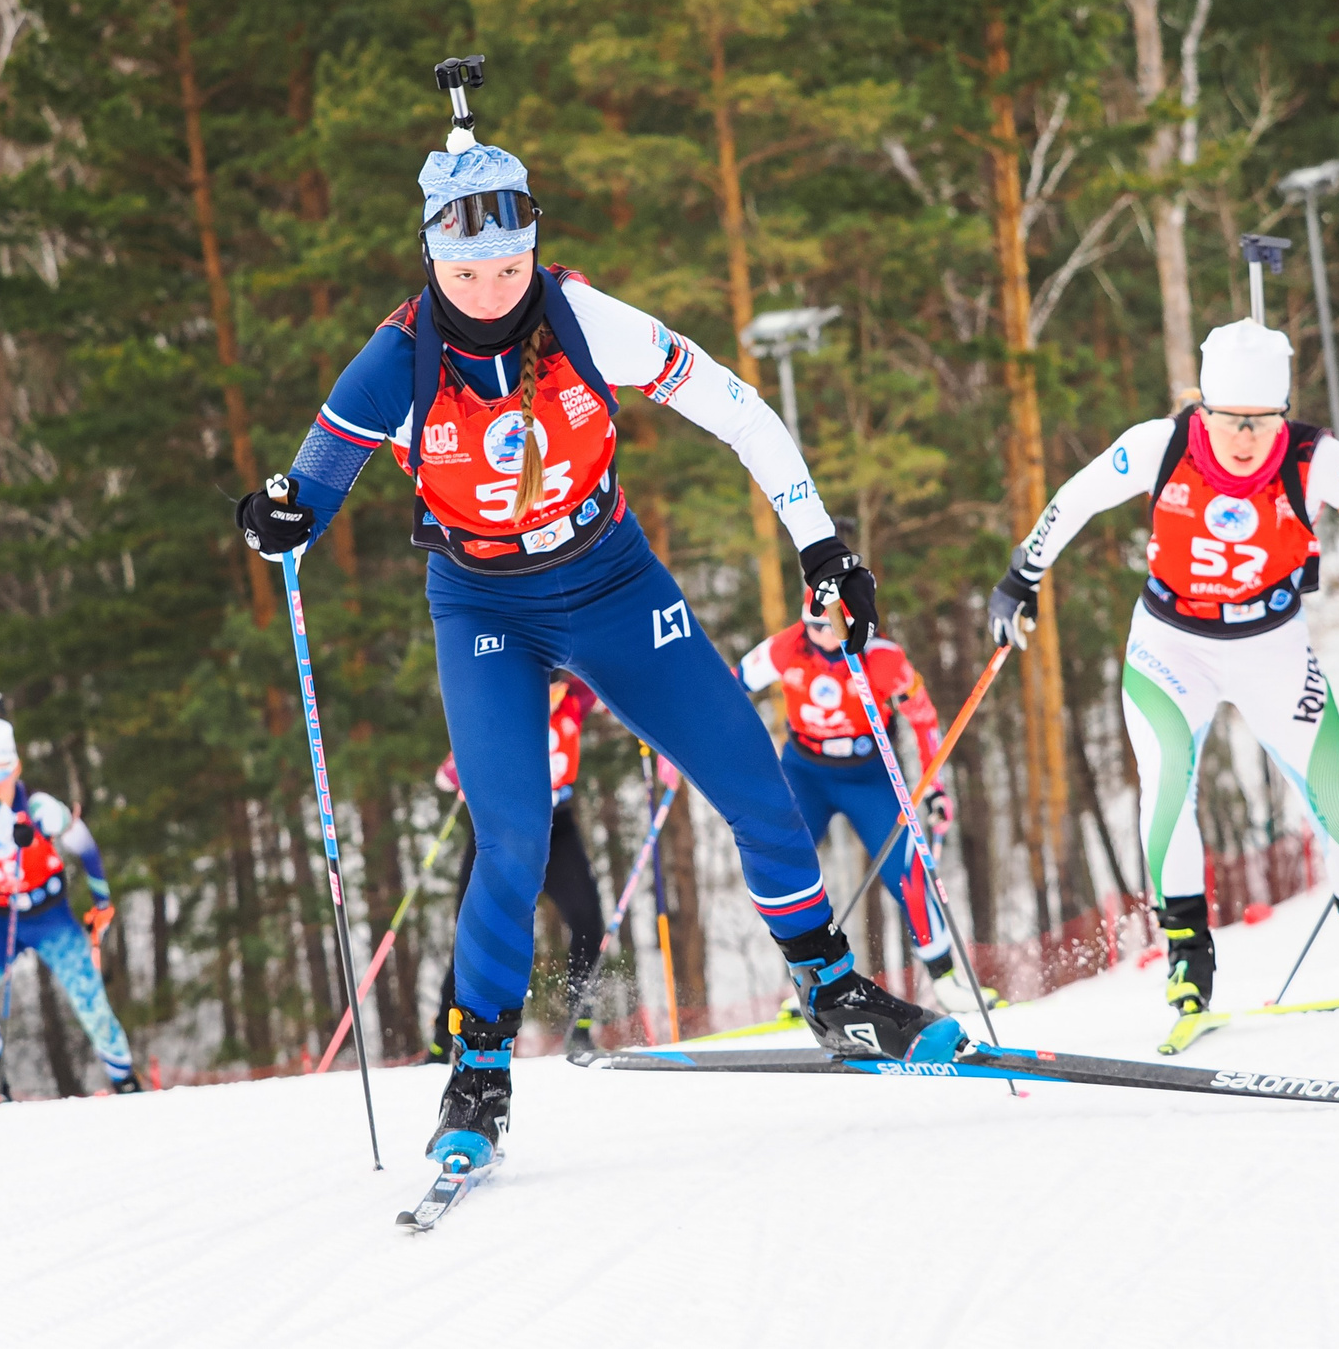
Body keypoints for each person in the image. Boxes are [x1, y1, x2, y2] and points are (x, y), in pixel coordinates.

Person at [235, 81, 957, 1174]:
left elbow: (737, 408)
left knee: (750, 774)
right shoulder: (397, 360)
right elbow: (310, 490)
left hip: (611, 578)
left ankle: (828, 987)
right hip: (484, 604)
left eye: (508, 267)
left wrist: (824, 547)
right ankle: (478, 1068)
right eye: (464, 272)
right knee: (513, 834)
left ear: (534, 248)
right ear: (431, 260)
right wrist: (278, 515)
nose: (488, 291)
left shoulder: (582, 319)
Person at [986, 319, 1339, 1031]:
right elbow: (1078, 495)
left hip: (1271, 645)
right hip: (1170, 647)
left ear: (1283, 412)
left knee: (1333, 797)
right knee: (1168, 781)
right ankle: (1190, 960)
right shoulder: (1161, 445)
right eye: (1230, 420)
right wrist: (1022, 573)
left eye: (1261, 421)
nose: (1245, 438)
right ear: (1204, 408)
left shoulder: (1321, 460)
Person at [739, 598, 986, 1015]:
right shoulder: (786, 647)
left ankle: (945, 979)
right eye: (815, 626)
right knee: (781, 866)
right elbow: (732, 683)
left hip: (868, 775)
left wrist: (936, 788)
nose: (824, 636)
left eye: (833, 626)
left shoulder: (882, 659)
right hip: (806, 773)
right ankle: (806, 981)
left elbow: (924, 720)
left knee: (907, 871)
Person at [0, 707, 144, 1097]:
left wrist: (101, 900)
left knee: (89, 997)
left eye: (3, 772)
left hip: (49, 915)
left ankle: (125, 1079)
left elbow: (85, 846)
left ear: (17, 767)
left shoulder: (40, 809)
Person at [431, 674, 610, 1061]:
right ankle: (443, 1039)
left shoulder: (570, 703)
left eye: (550, 684)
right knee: (473, 930)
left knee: (587, 919)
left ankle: (580, 1023)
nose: (546, 693)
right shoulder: (501, 710)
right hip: (502, 830)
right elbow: (444, 778)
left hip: (555, 828)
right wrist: (466, 765)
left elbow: (602, 680)